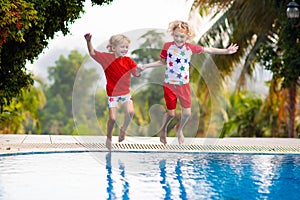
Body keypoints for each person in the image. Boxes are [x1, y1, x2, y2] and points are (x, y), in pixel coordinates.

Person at [139, 20, 239, 145]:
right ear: (172, 34)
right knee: (171, 114)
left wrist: (226, 51)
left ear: (187, 37)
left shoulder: (190, 48)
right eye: (176, 36)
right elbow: (162, 62)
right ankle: (163, 130)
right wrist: (145, 66)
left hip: (183, 85)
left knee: (187, 114)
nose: (178, 39)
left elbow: (209, 50)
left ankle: (178, 129)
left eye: (182, 37)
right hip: (169, 85)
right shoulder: (167, 46)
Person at [84, 33, 141, 150]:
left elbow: (136, 74)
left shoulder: (129, 61)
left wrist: (139, 70)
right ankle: (109, 136)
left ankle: (123, 130)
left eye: (126, 47)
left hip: (125, 93)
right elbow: (92, 53)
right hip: (112, 95)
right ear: (114, 48)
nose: (125, 50)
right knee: (113, 119)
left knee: (130, 112)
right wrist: (88, 41)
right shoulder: (106, 58)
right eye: (122, 47)